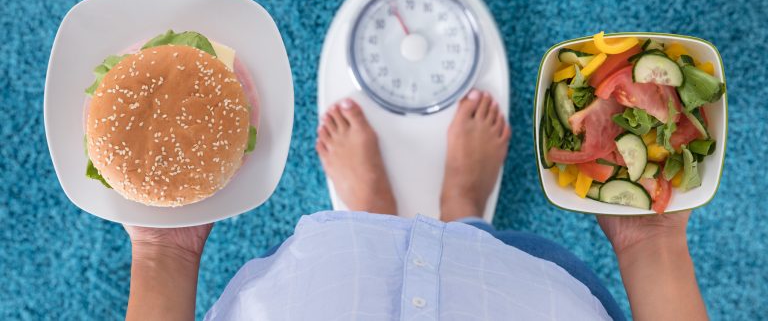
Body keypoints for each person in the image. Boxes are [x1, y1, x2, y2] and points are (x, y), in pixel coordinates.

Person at [124, 90, 708, 320]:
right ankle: (465, 209)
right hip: (521, 290)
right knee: (496, 252)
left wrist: (164, 251)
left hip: (324, 279)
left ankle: (371, 212)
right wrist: (649, 243)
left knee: (356, 245)